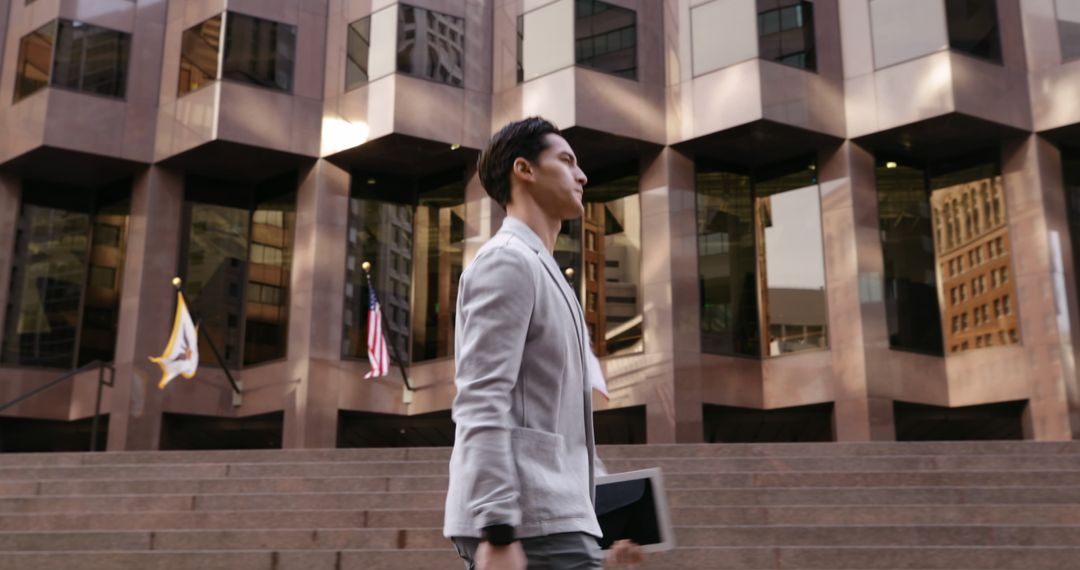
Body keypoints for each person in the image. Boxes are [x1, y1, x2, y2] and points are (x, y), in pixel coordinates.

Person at [443, 118, 643, 570]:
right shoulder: (506, 263)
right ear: (524, 170)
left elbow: (562, 427)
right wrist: (497, 528)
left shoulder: (548, 275)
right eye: (566, 160)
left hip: (557, 516)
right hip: (526, 518)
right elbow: (480, 398)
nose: (582, 175)